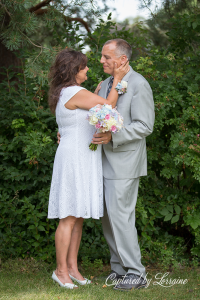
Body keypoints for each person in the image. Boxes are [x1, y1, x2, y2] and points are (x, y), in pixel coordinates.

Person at [48, 48, 129, 289]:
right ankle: (60, 270)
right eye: (84, 66)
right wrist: (118, 80)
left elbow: (89, 107)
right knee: (68, 217)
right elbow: (107, 107)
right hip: (74, 157)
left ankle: (72, 267)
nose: (87, 69)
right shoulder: (74, 92)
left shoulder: (69, 92)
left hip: (82, 155)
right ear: (74, 70)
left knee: (78, 215)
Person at [91, 39, 155, 291]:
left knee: (121, 218)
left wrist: (113, 136)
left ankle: (136, 273)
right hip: (103, 160)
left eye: (107, 57)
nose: (102, 61)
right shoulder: (106, 84)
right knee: (109, 219)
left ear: (122, 59)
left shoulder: (139, 84)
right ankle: (118, 269)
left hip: (125, 161)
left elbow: (144, 125)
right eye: (102, 56)